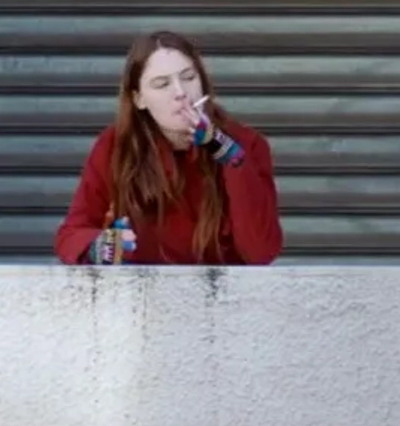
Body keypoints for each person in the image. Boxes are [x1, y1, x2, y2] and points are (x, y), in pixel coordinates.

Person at [54, 30, 284, 266]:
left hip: (222, 297)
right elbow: (70, 235)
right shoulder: (115, 147)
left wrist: (229, 155)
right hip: (144, 296)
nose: (180, 92)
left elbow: (261, 252)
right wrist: (99, 248)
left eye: (189, 77)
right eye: (162, 84)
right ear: (139, 99)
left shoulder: (246, 143)